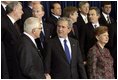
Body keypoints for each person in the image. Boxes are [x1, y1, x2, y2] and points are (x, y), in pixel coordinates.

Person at [1, 1, 23, 78]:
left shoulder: (15, 25)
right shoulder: (3, 22)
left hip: (15, 65)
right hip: (7, 66)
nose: (22, 12)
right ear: (15, 9)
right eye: (21, 9)